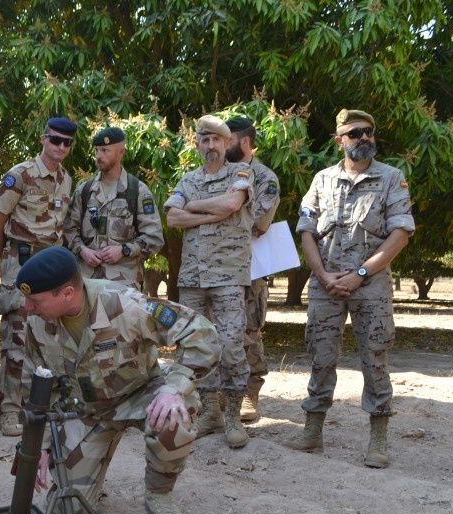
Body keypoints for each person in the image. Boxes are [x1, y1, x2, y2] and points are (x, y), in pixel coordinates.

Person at [18, 247, 220, 514]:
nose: (27, 307)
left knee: (175, 413)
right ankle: (93, 466)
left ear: (67, 293)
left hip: (141, 395)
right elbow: (37, 384)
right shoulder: (38, 322)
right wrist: (39, 444)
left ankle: (159, 494)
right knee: (70, 506)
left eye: (35, 300)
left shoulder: (125, 304)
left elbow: (201, 333)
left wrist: (174, 387)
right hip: (88, 410)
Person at [285, 109, 414, 468]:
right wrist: (323, 275)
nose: (364, 138)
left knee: (375, 358)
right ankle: (312, 431)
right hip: (325, 285)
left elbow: (400, 235)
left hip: (370, 285)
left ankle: (378, 440)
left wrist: (359, 274)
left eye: (368, 131)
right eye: (355, 133)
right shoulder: (322, 180)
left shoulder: (391, 178)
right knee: (321, 356)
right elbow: (307, 233)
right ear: (339, 140)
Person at [164, 114, 255, 449]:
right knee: (195, 345)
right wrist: (212, 213)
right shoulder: (187, 179)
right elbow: (173, 217)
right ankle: (210, 412)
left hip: (228, 275)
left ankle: (233, 415)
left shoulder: (241, 173)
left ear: (227, 143)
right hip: (192, 277)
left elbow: (233, 203)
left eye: (217, 139)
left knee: (231, 345)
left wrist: (195, 206)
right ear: (198, 145)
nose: (211, 145)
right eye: (205, 140)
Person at [0, 117, 76, 437]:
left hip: (51, 267)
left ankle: (42, 404)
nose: (61, 147)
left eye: (67, 142)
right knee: (17, 338)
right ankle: (10, 410)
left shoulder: (66, 180)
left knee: (49, 339)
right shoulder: (20, 175)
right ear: (43, 139)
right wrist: (9, 257)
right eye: (55, 140)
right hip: (22, 262)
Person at [224, 116, 281, 423]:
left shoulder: (265, 178)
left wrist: (216, 213)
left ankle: (250, 392)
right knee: (219, 329)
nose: (221, 145)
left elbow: (258, 222)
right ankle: (222, 392)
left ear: (245, 141)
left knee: (248, 330)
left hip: (250, 267)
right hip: (216, 266)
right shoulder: (216, 173)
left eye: (228, 139)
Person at [63, 126, 164, 288]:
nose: (98, 156)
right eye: (96, 151)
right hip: (87, 281)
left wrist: (124, 250)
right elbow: (68, 229)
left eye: (105, 151)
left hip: (124, 283)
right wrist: (82, 250)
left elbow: (154, 238)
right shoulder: (85, 191)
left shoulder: (137, 191)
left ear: (121, 152)